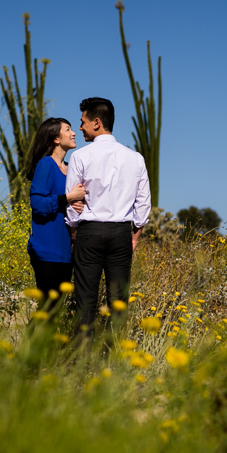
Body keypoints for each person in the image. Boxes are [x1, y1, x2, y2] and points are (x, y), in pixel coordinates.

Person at [65, 97, 151, 331]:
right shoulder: (135, 158)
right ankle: (113, 360)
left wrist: (74, 232)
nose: (80, 127)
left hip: (89, 232)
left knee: (85, 301)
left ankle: (81, 360)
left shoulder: (80, 157)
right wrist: (135, 235)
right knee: (118, 303)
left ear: (96, 122)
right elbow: (143, 203)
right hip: (121, 233)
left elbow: (72, 202)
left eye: (82, 121)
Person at [25, 117, 86, 299]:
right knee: (48, 310)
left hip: (65, 251)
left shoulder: (70, 168)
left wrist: (78, 203)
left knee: (54, 311)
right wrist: (69, 197)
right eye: (67, 129)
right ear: (56, 139)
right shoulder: (46, 164)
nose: (74, 133)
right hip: (47, 250)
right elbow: (37, 204)